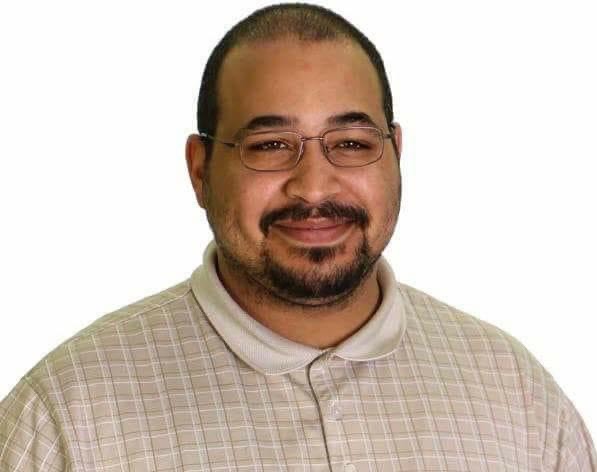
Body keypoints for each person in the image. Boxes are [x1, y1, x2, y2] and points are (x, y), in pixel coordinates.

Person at [1, 3, 595, 471]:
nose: (313, 187)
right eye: (270, 146)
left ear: (396, 153)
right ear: (200, 170)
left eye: (352, 143)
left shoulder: (517, 398)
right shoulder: (65, 418)